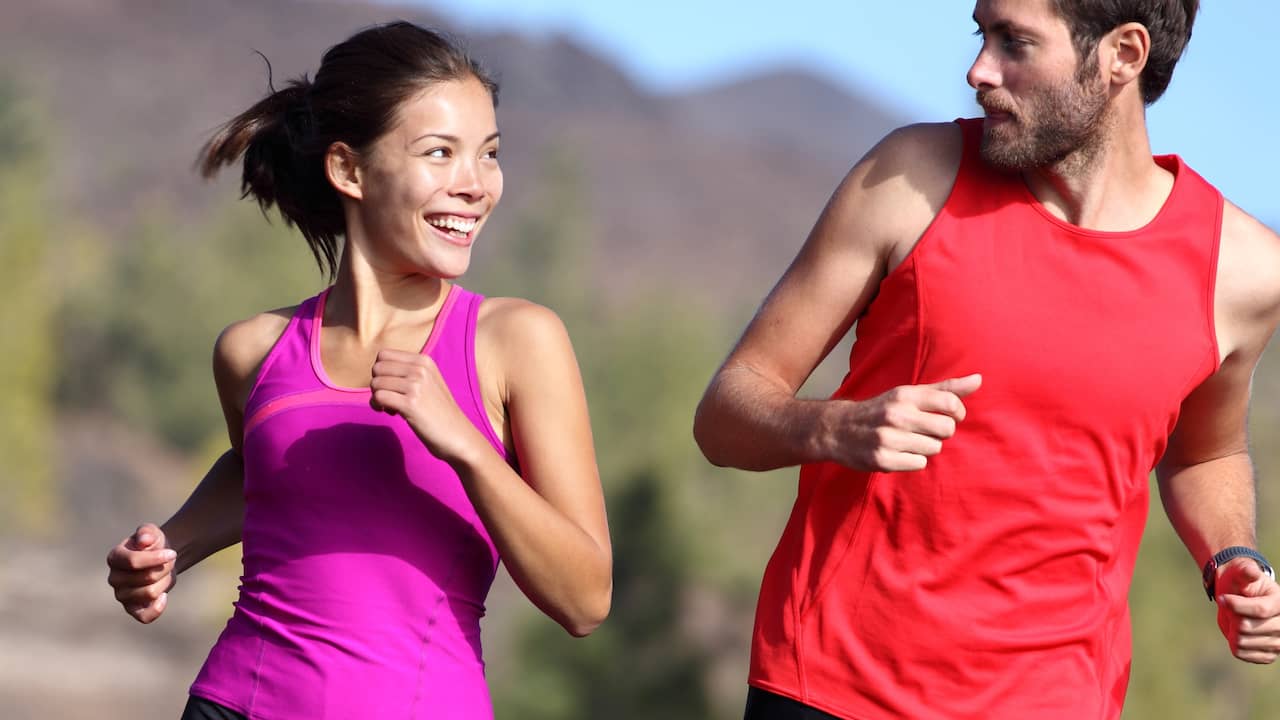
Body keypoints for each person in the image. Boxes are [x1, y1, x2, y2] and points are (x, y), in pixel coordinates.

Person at [693, 1, 1280, 718]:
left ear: (1123, 54)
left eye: (1015, 44)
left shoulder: (1243, 271)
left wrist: (1232, 559)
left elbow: (1203, 454)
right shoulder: (908, 178)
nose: (978, 70)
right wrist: (830, 429)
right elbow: (726, 411)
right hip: (831, 688)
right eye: (983, 35)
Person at [105, 22, 612, 720]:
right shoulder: (254, 350)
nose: (475, 186)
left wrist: (466, 446)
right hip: (234, 704)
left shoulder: (516, 341)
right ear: (348, 170)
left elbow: (585, 600)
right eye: (441, 153)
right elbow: (262, 470)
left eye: (489, 155)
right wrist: (170, 548)